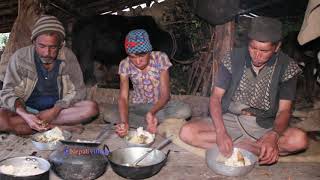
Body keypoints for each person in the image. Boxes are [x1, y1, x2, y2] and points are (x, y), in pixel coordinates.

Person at [179, 17, 308, 165]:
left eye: (264, 50)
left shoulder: (287, 67)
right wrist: (221, 132)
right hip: (231, 119)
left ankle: (241, 148)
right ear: (248, 43)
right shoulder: (233, 58)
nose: (257, 55)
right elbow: (216, 98)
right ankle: (254, 150)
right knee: (187, 132)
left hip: (265, 126)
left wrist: (274, 135)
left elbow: (284, 111)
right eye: (253, 48)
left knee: (299, 140)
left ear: (277, 47)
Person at [0, 15, 99, 135]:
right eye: (42, 46)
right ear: (33, 42)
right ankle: (55, 127)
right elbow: (7, 92)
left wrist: (55, 110)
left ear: (61, 45)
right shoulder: (20, 57)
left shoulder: (68, 57)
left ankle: (32, 127)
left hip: (59, 111)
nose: (47, 53)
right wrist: (26, 115)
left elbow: (79, 91)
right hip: (27, 109)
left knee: (91, 108)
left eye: (52, 47)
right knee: (1, 118)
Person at [103, 29, 191, 137]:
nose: (137, 61)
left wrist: (152, 112)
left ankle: (147, 122)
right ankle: (153, 123)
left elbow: (165, 95)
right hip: (139, 107)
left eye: (141, 56)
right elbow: (123, 98)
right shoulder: (125, 64)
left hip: (161, 106)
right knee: (108, 114)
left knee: (184, 110)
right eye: (132, 57)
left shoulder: (160, 58)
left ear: (149, 51)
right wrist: (124, 121)